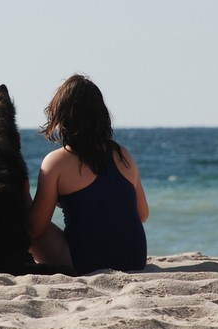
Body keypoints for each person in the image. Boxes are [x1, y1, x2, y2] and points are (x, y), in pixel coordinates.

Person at [26, 74, 149, 275]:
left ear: (62, 118)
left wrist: (24, 193)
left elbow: (36, 229)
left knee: (30, 223)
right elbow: (142, 215)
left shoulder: (56, 162)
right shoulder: (123, 154)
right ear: (102, 116)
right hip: (134, 259)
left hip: (85, 262)